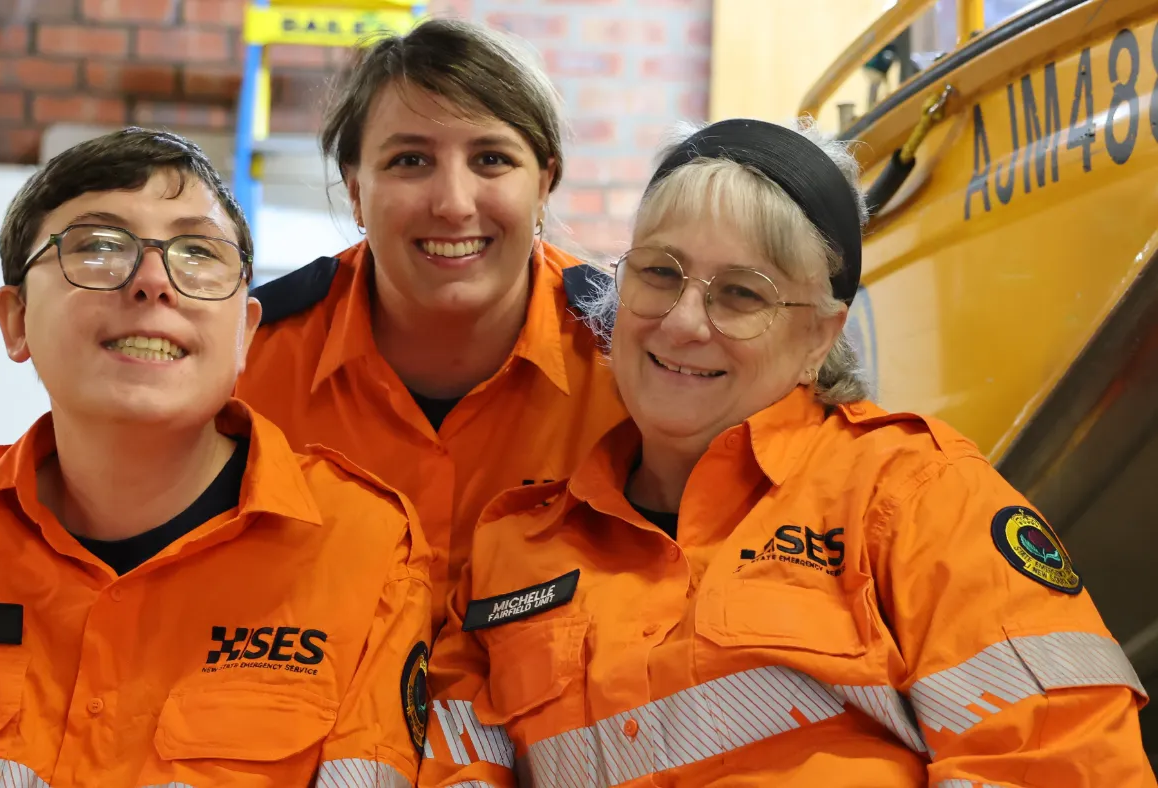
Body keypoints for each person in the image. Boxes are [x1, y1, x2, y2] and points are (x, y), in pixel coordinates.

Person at [418, 118, 1155, 785]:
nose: (682, 323)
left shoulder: (916, 497)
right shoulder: (513, 548)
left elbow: (1059, 764)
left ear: (819, 340)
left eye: (742, 295)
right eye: (660, 273)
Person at [0, 128, 433, 787]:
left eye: (197, 252)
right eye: (99, 246)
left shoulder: (365, 554)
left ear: (245, 336)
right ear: (15, 320)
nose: (152, 282)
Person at [236, 18, 627, 629]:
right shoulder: (247, 365)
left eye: (492, 159)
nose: (452, 203)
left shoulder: (634, 355)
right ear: (356, 190)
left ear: (544, 184)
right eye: (410, 159)